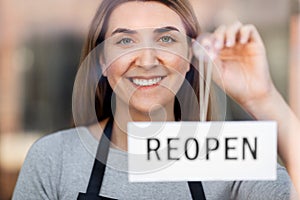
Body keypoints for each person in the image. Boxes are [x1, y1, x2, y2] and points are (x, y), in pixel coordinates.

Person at [12, 0, 298, 199]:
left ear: (189, 57)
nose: (147, 61)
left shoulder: (228, 155)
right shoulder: (54, 158)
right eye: (125, 41)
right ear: (101, 60)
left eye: (165, 39)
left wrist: (264, 98)